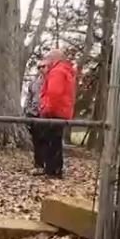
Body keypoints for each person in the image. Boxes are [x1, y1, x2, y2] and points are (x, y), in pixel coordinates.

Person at [39, 49, 77, 179]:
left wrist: (46, 109)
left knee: (51, 142)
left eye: (48, 59)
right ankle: (53, 169)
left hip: (54, 112)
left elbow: (54, 93)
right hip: (61, 111)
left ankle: (52, 170)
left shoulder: (57, 72)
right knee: (55, 141)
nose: (47, 62)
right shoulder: (65, 71)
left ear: (54, 59)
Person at [24, 63, 47, 175]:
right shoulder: (33, 82)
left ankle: (49, 166)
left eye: (43, 66)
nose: (41, 69)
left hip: (46, 115)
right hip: (34, 115)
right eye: (39, 67)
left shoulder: (49, 82)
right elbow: (29, 98)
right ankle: (38, 165)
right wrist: (27, 111)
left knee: (46, 141)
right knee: (37, 141)